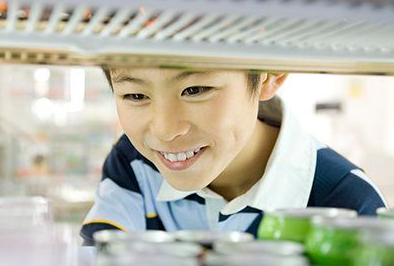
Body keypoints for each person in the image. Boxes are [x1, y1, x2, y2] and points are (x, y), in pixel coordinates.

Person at [80, 67, 386, 245]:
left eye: (196, 89)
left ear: (270, 75)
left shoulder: (345, 203)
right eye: (136, 95)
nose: (165, 130)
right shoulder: (134, 164)